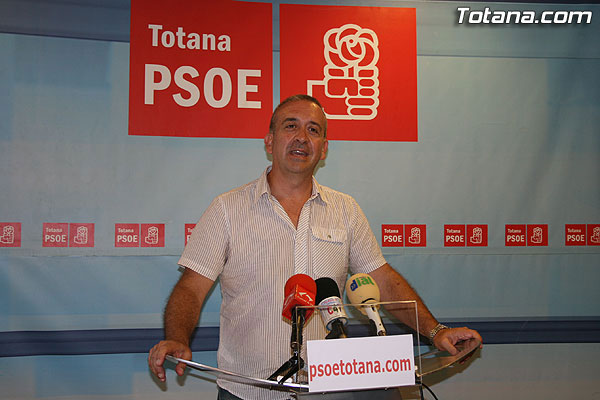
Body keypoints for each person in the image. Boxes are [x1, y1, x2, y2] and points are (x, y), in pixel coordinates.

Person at [148, 94, 482, 399]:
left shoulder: (346, 209)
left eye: (313, 130)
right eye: (290, 126)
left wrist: (436, 331)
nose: (301, 137)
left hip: (328, 390)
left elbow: (381, 280)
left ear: (323, 149)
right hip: (248, 391)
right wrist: (177, 338)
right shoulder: (227, 209)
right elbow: (191, 288)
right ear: (269, 140)